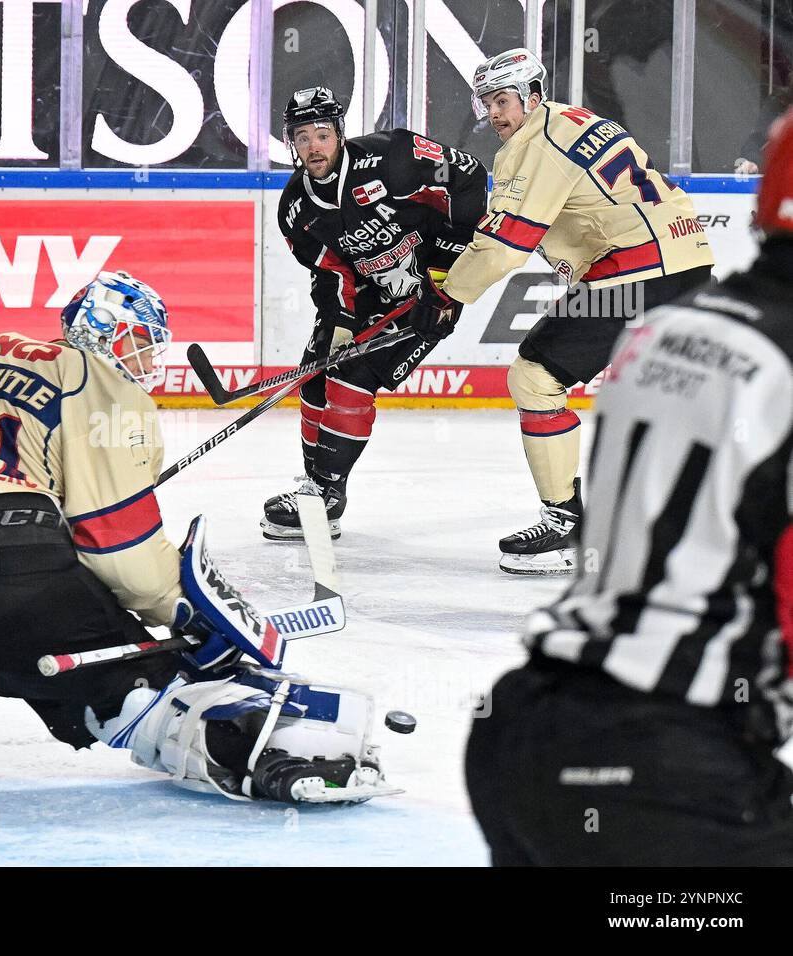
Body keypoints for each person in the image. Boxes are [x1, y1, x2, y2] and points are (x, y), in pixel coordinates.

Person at [0, 270, 397, 804]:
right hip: (23, 598)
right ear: (105, 333)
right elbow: (118, 547)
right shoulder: (105, 386)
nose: (145, 362)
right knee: (152, 700)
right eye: (139, 343)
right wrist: (186, 614)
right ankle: (256, 744)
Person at [462, 106, 793, 866]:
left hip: (523, 729)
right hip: (667, 772)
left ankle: (557, 511)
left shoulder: (668, 334)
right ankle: (556, 514)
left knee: (538, 380)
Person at [415, 48, 715, 575]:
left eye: (504, 101)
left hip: (637, 276)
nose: (496, 115)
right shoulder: (576, 120)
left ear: (532, 95)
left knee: (534, 376)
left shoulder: (534, 144)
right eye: (487, 103)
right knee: (664, 392)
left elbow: (508, 242)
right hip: (687, 262)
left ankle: (564, 527)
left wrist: (446, 296)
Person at [264, 87, 487, 540]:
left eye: (322, 134)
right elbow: (329, 270)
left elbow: (469, 175)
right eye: (302, 136)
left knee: (352, 380)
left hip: (428, 296)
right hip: (367, 295)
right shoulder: (295, 209)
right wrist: (339, 322)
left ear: (340, 133)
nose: (313, 146)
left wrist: (446, 279)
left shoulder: (395, 156)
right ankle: (315, 488)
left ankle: (326, 492)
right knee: (316, 376)